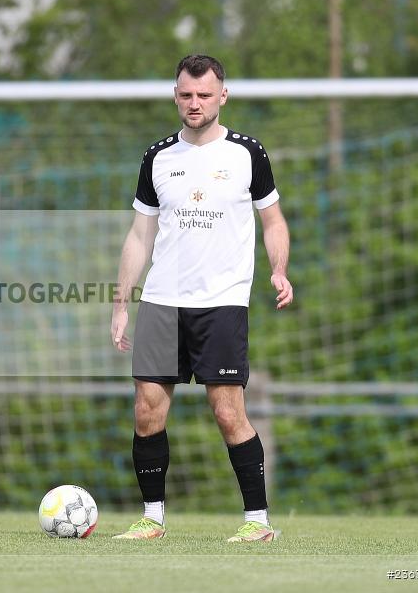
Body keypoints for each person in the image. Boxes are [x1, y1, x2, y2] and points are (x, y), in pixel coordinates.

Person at [110, 55, 293, 542]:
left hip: (221, 302)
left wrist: (278, 269)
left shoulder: (248, 154)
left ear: (222, 96)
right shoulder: (158, 157)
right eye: (186, 95)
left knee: (227, 411)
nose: (195, 104)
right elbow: (139, 235)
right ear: (176, 95)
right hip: (162, 302)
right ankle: (152, 517)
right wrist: (122, 300)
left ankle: (258, 522)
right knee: (147, 409)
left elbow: (272, 221)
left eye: (204, 95)